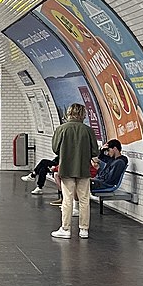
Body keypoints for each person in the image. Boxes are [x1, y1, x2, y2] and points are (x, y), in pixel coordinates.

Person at [51, 103, 99, 240]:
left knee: (67, 199)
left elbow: (55, 148)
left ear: (69, 113)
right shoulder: (88, 130)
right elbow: (95, 151)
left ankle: (65, 229)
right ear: (83, 114)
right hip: (84, 169)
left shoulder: (61, 129)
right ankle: (84, 229)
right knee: (84, 200)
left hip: (66, 168)